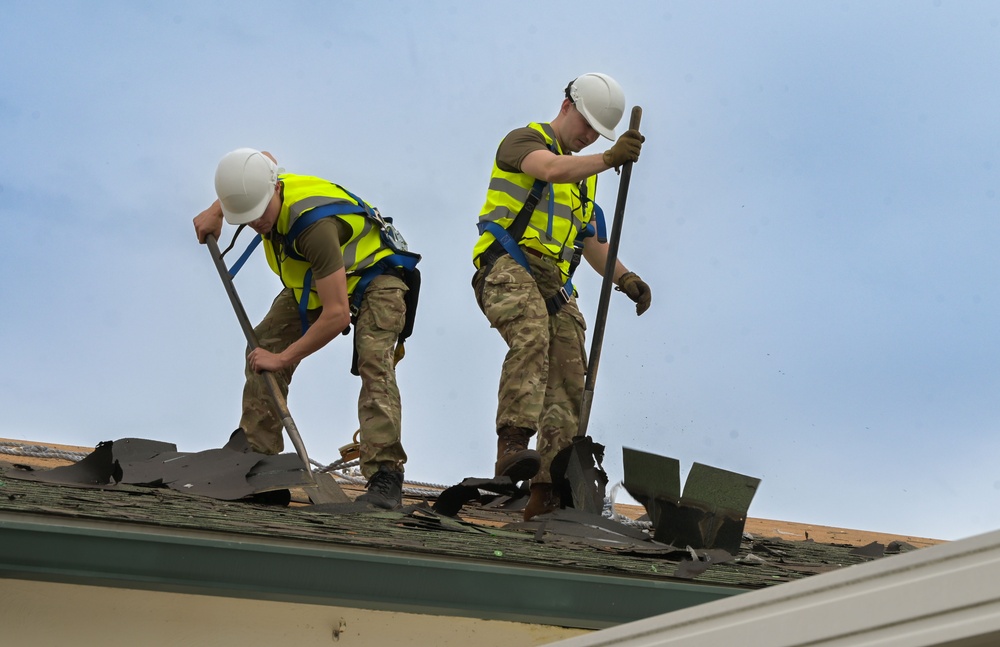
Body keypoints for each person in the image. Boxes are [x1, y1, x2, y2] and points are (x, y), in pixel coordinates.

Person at [193, 149, 419, 509]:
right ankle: (261, 462)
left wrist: (283, 358)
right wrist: (217, 209)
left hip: (374, 279)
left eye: (258, 214)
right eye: (245, 217)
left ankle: (385, 475)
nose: (255, 224)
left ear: (275, 191)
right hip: (314, 284)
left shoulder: (314, 228)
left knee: (375, 362)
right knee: (261, 342)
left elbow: (336, 316)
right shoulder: (262, 178)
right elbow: (260, 157)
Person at [471, 73, 652, 520]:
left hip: (554, 280)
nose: (589, 136)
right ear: (567, 105)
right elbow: (549, 169)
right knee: (531, 332)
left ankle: (548, 490)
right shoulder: (523, 141)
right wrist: (609, 157)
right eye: (587, 124)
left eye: (598, 132)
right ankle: (512, 445)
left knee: (572, 369)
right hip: (509, 263)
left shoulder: (586, 183)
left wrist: (625, 279)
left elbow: (592, 243)